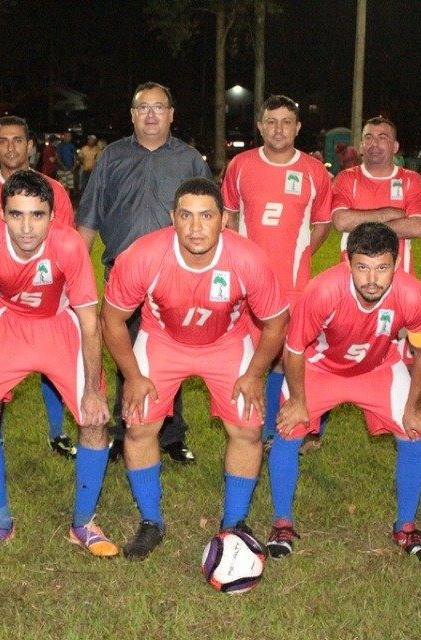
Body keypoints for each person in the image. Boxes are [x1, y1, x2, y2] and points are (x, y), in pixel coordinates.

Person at [102, 177, 288, 559]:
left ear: (224, 220)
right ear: (172, 218)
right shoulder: (143, 255)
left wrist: (254, 375)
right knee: (138, 426)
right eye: (186, 215)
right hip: (164, 340)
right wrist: (133, 377)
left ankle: (234, 523)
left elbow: (276, 323)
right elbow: (112, 319)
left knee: (248, 429)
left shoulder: (248, 258)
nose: (196, 226)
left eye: (207, 216)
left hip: (226, 343)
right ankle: (151, 521)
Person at [0, 170, 117, 558]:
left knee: (94, 419)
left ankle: (83, 524)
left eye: (37, 215)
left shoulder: (70, 245)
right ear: (2, 214)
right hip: (6, 325)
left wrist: (93, 390)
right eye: (16, 214)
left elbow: (89, 321)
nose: (27, 227)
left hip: (59, 325)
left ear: (53, 214)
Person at [268, 222, 421, 561]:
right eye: (362, 267)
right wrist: (299, 402)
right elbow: (295, 349)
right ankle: (282, 523)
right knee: (288, 429)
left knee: (414, 432)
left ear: (397, 263)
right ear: (348, 262)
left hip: (377, 368)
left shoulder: (414, 294)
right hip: (321, 367)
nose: (372, 279)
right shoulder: (322, 290)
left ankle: (405, 526)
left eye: (382, 268)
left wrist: (413, 404)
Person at [77, 81, 213, 464]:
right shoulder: (111, 158)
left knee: (174, 353)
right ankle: (125, 432)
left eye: (159, 107)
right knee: (127, 354)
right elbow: (88, 217)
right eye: (143, 108)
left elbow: (212, 219)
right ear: (132, 115)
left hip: (179, 277)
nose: (151, 115)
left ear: (171, 114)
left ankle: (171, 435)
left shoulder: (189, 160)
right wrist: (74, 273)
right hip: (124, 275)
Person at [0, 115, 77, 458]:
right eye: (4, 140)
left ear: (30, 146)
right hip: (0, 305)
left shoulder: (54, 191)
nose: (11, 147)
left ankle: (57, 434)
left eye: (18, 140)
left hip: (51, 300)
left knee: (54, 372)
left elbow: (66, 249)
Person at [221, 94, 333, 445]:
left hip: (293, 284)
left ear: (298, 127)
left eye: (286, 122)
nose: (278, 129)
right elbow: (231, 216)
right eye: (271, 122)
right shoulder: (239, 165)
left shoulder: (314, 171)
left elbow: (323, 223)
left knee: (292, 356)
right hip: (248, 283)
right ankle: (261, 428)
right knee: (254, 356)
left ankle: (295, 426)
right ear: (260, 126)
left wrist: (302, 254)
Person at [332, 116, 421, 271]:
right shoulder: (346, 178)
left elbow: (417, 227)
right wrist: (390, 213)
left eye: (382, 137)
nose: (374, 143)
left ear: (395, 146)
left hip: (398, 275)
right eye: (368, 137)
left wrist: (360, 225)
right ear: (361, 145)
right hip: (352, 276)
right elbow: (341, 221)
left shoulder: (411, 179)